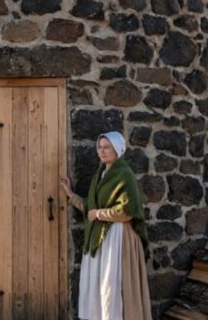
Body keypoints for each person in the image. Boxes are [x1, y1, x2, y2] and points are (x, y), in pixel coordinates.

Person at [59, 131, 151, 320]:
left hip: (117, 237)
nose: (102, 151)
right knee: (100, 285)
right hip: (100, 237)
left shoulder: (124, 174)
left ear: (117, 149)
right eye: (99, 147)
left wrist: (99, 214)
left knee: (112, 284)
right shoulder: (100, 174)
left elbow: (128, 212)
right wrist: (71, 194)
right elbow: (90, 206)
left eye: (106, 147)